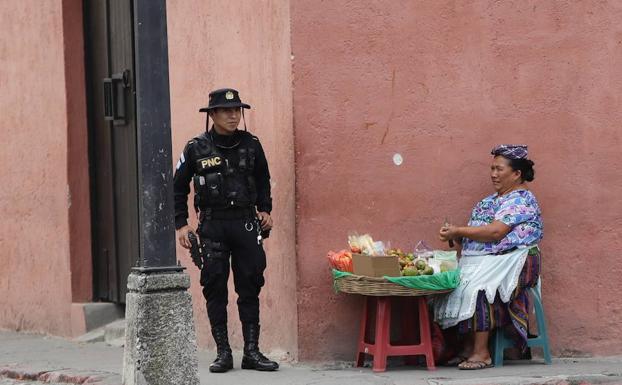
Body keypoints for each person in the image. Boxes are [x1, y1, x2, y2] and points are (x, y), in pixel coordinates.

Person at [173, 88, 279, 373]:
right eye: (227, 111)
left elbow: (263, 178)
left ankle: (252, 352)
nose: (234, 116)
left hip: (245, 222)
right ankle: (222, 353)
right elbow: (178, 186)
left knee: (250, 284)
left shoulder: (251, 144)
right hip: (213, 225)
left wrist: (265, 209)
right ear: (213, 115)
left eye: (237, 111)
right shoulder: (195, 147)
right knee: (215, 286)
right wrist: (181, 224)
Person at [436, 144, 543, 370]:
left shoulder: (520, 200)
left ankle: (481, 353)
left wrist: (459, 230)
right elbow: (478, 233)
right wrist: (456, 236)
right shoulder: (489, 201)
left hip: (515, 261)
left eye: (499, 169)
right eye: (492, 169)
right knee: (453, 284)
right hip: (488, 260)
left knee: (480, 288)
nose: (493, 174)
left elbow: (496, 232)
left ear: (517, 173)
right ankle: (466, 347)